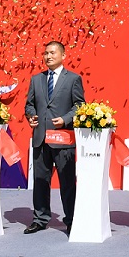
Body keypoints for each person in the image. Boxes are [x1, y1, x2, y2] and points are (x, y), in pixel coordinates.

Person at [24, 41, 85, 234]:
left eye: (52, 53)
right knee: (40, 181)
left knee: (67, 182)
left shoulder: (73, 79)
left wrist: (66, 119)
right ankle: (40, 218)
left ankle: (72, 219)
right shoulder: (36, 79)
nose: (48, 56)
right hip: (41, 138)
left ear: (63, 55)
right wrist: (31, 116)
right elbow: (29, 105)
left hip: (62, 138)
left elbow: (80, 106)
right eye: (45, 53)